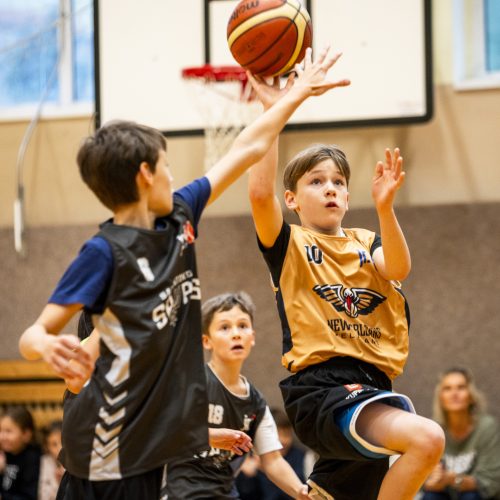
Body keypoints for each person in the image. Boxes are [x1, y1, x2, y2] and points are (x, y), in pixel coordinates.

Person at [18, 45, 348, 499]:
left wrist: (291, 98)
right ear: (145, 175)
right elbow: (33, 334)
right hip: (99, 455)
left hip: (143, 452)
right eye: (167, 167)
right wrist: (48, 346)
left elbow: (246, 148)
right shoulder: (104, 253)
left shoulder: (179, 214)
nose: (173, 176)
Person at [246, 71, 446, 500]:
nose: (330, 189)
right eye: (316, 181)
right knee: (427, 439)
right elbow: (260, 195)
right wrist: (272, 111)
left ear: (349, 197)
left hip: (373, 386)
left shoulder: (366, 241)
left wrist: (385, 208)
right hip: (322, 390)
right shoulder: (290, 245)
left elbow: (398, 268)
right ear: (292, 199)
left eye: (338, 182)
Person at [164, 291, 310, 499]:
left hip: (225, 493)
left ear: (253, 337)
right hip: (180, 493)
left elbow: (273, 461)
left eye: (242, 325)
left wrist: (301, 492)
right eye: (225, 327)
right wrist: (210, 437)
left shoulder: (256, 402)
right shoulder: (191, 382)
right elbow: (162, 431)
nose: (236, 334)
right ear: (206, 341)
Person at [421, 367, 500, 500]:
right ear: (440, 397)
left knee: (470, 497)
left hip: (476, 495)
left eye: (461, 387)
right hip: (442, 494)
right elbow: (421, 483)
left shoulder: (487, 427)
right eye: (447, 388)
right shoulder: (433, 430)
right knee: (430, 497)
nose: (454, 393)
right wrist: (431, 482)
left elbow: (491, 482)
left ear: (471, 396)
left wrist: (453, 480)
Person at [236, 407, 317, 500]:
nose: (283, 440)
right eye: (278, 434)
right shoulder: (248, 457)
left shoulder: (302, 457)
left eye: (286, 434)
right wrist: (247, 476)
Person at [0, 406, 41, 500]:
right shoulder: (3, 454)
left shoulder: (32, 459)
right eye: (0, 430)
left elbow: (29, 496)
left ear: (26, 434)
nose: (2, 437)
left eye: (8, 431)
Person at [38, 420, 64, 500]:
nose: (60, 448)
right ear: (47, 447)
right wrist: (58, 483)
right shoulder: (44, 462)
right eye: (54, 444)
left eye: (63, 442)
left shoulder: (76, 464)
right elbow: (42, 496)